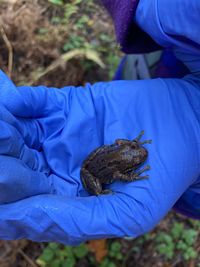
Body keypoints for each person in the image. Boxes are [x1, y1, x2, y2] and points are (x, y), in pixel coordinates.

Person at [0, 0, 199, 245]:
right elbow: (118, 164)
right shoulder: (119, 166)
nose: (140, 153)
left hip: (155, 86)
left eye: (137, 155)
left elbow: (117, 146)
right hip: (157, 70)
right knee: (92, 178)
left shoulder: (122, 156)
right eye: (137, 153)